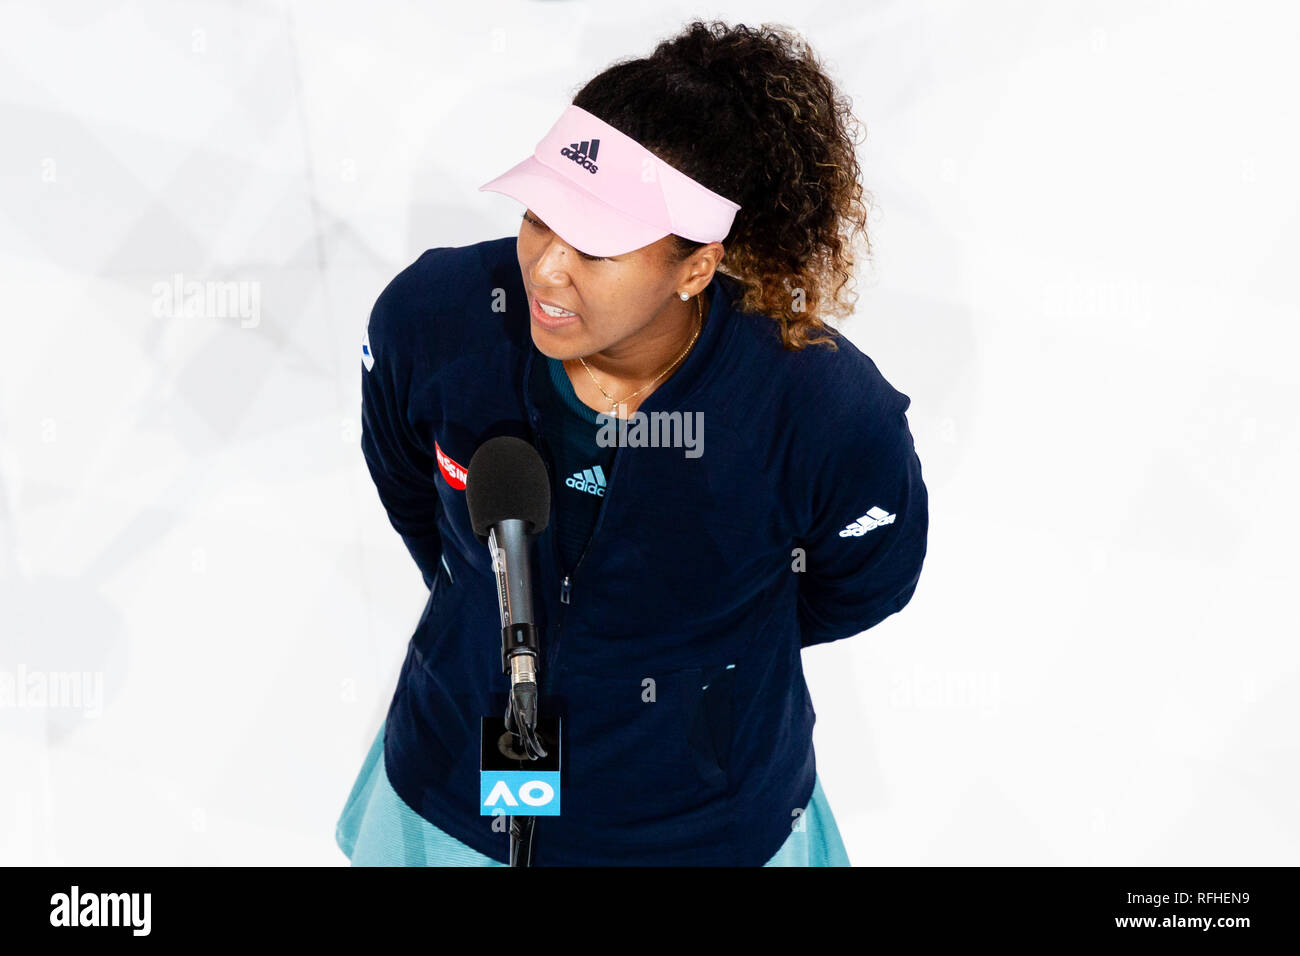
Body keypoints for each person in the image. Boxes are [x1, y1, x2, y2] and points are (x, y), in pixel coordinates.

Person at [336, 19, 928, 866]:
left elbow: (860, 584)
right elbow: (409, 488)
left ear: (695, 267)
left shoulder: (824, 409)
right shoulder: (434, 319)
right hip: (455, 804)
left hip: (706, 830)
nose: (545, 268)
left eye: (597, 245)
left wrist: (683, 642)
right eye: (541, 217)